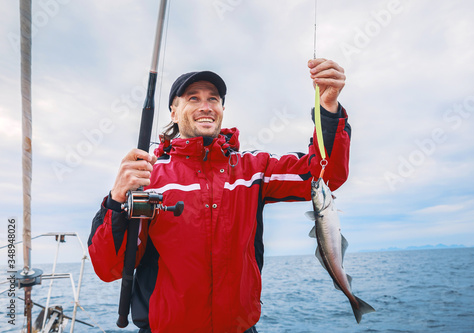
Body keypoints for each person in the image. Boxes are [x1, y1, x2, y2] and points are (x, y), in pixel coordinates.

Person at [88, 58, 351, 333]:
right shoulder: (149, 178)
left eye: (213, 99)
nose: (205, 106)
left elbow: (322, 176)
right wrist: (117, 199)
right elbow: (108, 267)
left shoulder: (253, 169)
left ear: (222, 109)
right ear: (174, 113)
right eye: (193, 98)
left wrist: (329, 108)